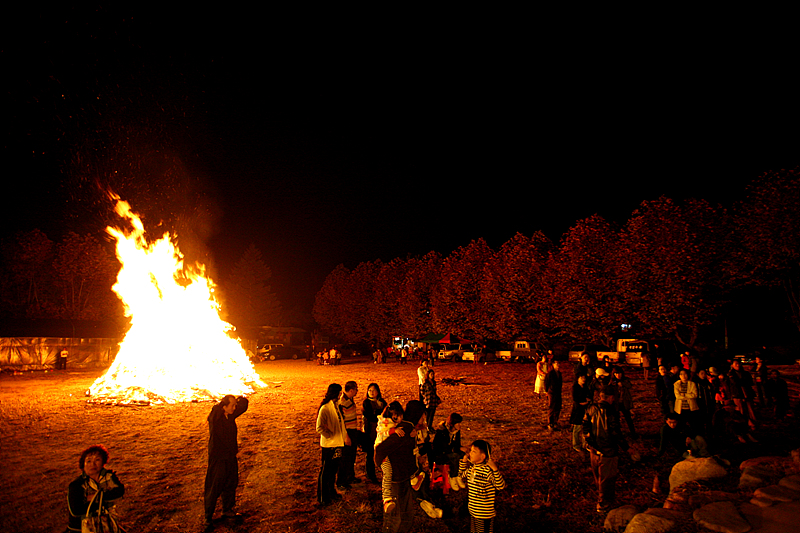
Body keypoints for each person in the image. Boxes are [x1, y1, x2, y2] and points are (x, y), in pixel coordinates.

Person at [375, 400, 427, 533]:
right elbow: (380, 450)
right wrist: (384, 468)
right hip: (396, 479)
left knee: (406, 515)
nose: (424, 418)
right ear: (417, 414)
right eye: (423, 415)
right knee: (395, 517)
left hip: (404, 477)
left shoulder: (410, 429)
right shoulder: (404, 431)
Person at [204, 394, 249, 528]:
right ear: (224, 407)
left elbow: (243, 406)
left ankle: (227, 510)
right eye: (232, 405)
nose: (235, 408)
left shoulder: (230, 415)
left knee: (231, 483)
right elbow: (214, 412)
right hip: (218, 458)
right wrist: (218, 406)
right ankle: (208, 516)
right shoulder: (216, 418)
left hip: (230, 456)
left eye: (235, 405)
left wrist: (241, 398)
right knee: (214, 486)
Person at [583, 387, 628, 513]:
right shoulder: (610, 411)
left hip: (594, 449)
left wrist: (589, 442)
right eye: (613, 397)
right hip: (608, 450)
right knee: (607, 478)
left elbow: (585, 426)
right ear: (610, 397)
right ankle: (603, 503)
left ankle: (602, 498)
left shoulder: (591, 408)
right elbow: (615, 432)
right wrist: (626, 448)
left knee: (598, 476)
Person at [67, 445, 124, 533]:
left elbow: (120, 492)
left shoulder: (109, 477)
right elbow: (76, 511)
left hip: (106, 525)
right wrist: (103, 503)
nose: (92, 464)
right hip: (81, 528)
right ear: (83, 464)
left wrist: (95, 497)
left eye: (97, 460)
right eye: (88, 461)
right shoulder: (77, 485)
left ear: (103, 462)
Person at [458, 439, 506, 533]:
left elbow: (500, 486)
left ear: (482, 456)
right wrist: (463, 462)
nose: (470, 453)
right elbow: (460, 475)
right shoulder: (472, 468)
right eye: (470, 451)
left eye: (473, 451)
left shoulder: (487, 471)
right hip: (473, 511)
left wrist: (495, 469)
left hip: (484, 514)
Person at [316, 384, 350, 506]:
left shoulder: (337, 406)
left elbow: (341, 423)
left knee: (333, 470)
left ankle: (331, 492)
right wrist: (330, 435)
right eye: (340, 392)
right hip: (329, 445)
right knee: (326, 471)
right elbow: (319, 427)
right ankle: (322, 496)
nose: (341, 395)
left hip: (338, 443)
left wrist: (344, 436)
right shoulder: (325, 408)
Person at [337, 381, 363, 489]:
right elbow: (341, 420)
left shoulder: (349, 399)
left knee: (352, 456)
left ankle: (350, 476)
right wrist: (345, 435)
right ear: (351, 390)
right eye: (356, 389)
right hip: (347, 432)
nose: (357, 391)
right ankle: (341, 481)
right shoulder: (343, 402)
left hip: (352, 430)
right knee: (345, 457)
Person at [432, 412, 466, 491]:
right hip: (440, 455)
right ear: (452, 424)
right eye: (457, 424)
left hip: (450, 452)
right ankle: (453, 477)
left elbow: (457, 445)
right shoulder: (442, 431)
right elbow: (441, 447)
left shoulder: (456, 432)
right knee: (455, 456)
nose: (459, 426)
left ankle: (458, 476)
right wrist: (456, 449)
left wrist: (461, 448)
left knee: (463, 455)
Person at [362, 383, 387, 483]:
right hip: (370, 431)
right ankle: (370, 474)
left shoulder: (382, 402)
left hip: (381, 430)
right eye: (369, 390)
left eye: (373, 390)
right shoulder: (366, 403)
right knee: (370, 452)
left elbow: (386, 414)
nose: (371, 392)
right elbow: (369, 416)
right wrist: (379, 414)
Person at [611, 367, 636, 438]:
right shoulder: (612, 381)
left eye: (619, 373)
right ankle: (618, 433)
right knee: (616, 419)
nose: (618, 375)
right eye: (616, 374)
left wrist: (622, 384)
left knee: (628, 418)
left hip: (624, 402)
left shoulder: (625, 380)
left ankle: (633, 433)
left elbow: (629, 385)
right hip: (616, 403)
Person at [570, 374, 592, 453]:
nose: (583, 379)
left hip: (585, 409)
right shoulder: (575, 387)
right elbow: (576, 399)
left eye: (584, 378)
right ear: (578, 379)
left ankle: (585, 444)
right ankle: (576, 445)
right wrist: (585, 402)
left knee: (585, 428)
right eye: (581, 377)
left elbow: (589, 396)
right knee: (577, 428)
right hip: (578, 410)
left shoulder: (585, 387)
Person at [544, 360, 563, 431]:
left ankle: (555, 421)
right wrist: (547, 391)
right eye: (556, 364)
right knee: (551, 407)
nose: (558, 365)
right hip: (552, 392)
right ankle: (550, 422)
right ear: (553, 365)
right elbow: (546, 383)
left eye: (559, 363)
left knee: (558, 407)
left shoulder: (559, 374)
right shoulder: (550, 374)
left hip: (558, 392)